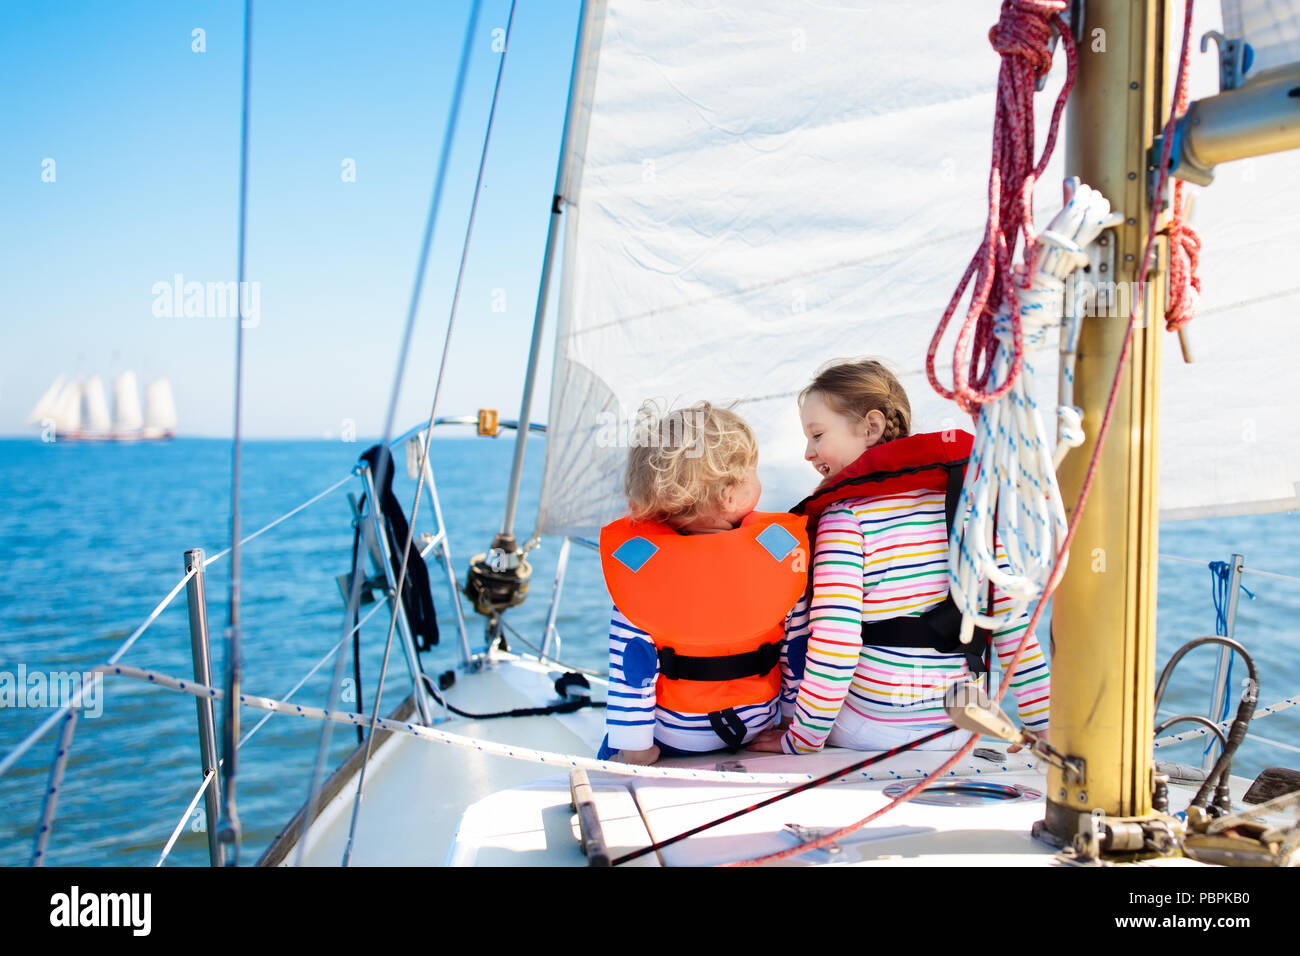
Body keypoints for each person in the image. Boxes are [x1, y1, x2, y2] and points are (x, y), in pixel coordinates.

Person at [750, 359, 1049, 755]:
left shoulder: (847, 518)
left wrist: (800, 740)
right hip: (956, 730)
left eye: (817, 434)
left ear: (871, 427)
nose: (808, 452)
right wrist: (1043, 726)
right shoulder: (967, 505)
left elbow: (835, 647)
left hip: (870, 728)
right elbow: (1011, 624)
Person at [597, 401, 809, 765]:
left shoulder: (641, 566)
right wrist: (790, 722)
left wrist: (633, 748)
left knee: (605, 752)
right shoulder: (779, 551)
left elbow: (632, 668)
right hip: (758, 724)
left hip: (678, 734)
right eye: (752, 470)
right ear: (730, 494)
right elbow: (796, 651)